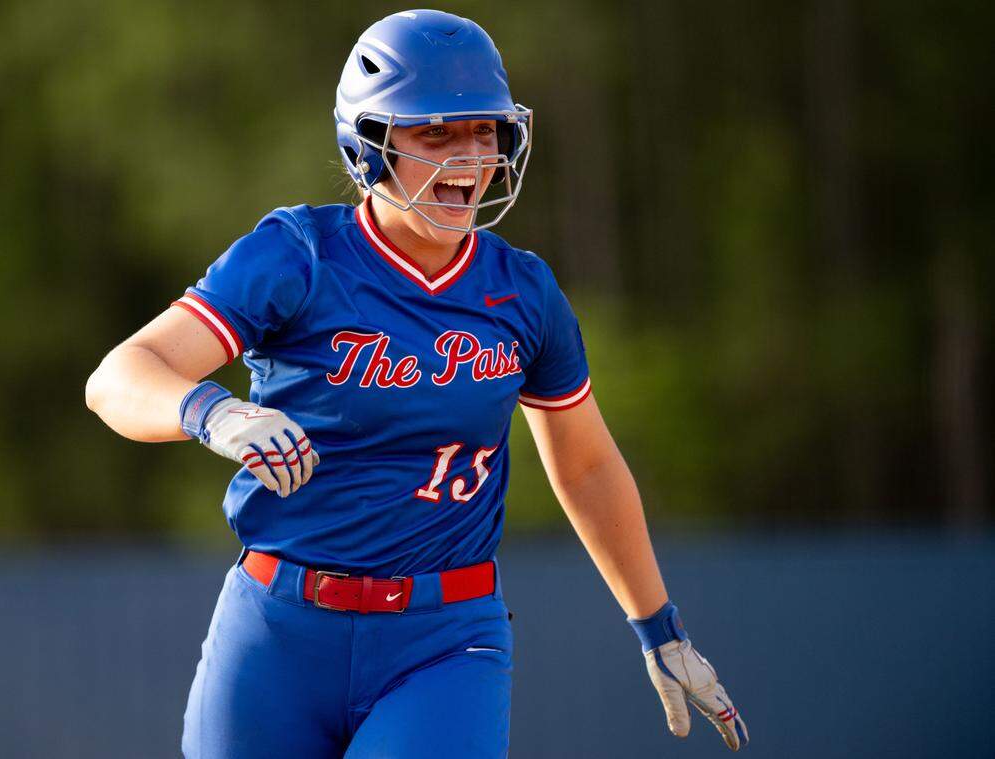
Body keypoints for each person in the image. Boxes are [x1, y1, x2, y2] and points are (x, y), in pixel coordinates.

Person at [85, 9, 748, 758]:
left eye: (485, 130)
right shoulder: (299, 256)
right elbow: (119, 376)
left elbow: (587, 466)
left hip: (444, 640)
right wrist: (214, 410)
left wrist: (659, 628)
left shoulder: (521, 292)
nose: (469, 155)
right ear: (368, 144)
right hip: (278, 626)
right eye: (435, 132)